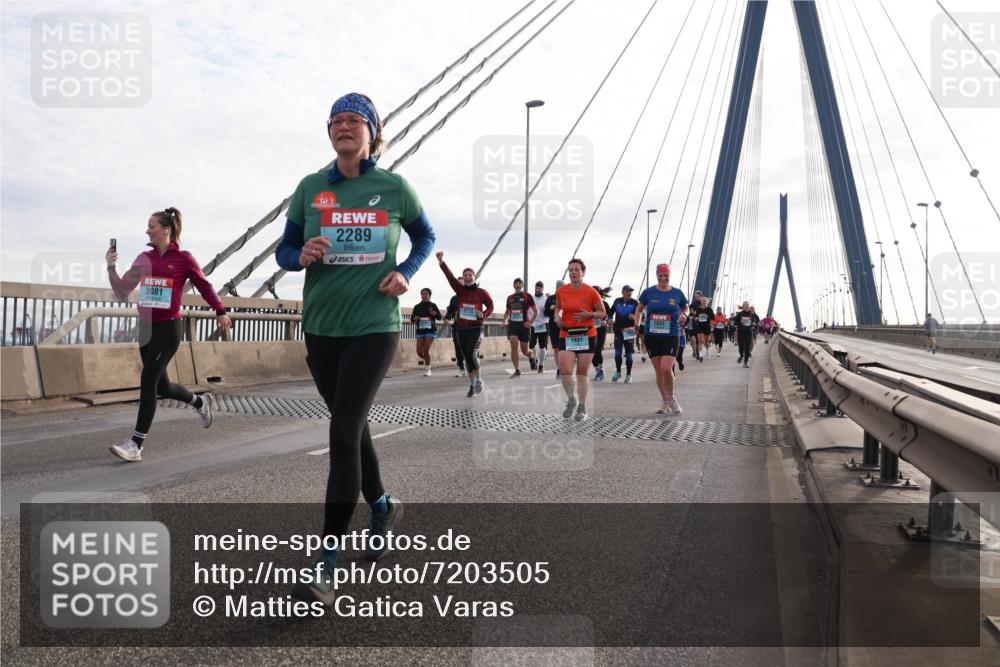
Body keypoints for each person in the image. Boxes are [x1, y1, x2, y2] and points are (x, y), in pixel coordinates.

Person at [274, 93, 435, 604]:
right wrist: (300, 254)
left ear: (372, 133)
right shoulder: (311, 188)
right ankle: (383, 506)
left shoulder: (392, 187)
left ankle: (327, 560)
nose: (344, 127)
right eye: (336, 121)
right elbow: (284, 249)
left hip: (374, 326)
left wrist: (406, 272)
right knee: (354, 426)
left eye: (354, 121)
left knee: (341, 430)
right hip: (322, 328)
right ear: (329, 133)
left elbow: (426, 237)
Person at [106, 207, 232, 462]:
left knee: (148, 380)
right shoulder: (144, 259)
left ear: (166, 229)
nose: (147, 230)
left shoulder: (184, 258)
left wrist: (220, 310)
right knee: (161, 385)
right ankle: (199, 403)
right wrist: (111, 267)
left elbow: (204, 285)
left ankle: (136, 444)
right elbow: (122, 291)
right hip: (146, 326)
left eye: (151, 226)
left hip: (168, 328)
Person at [437, 251, 493, 396]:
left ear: (474, 277)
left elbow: (491, 306)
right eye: (465, 275)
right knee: (466, 357)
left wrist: (484, 314)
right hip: (461, 329)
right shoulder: (460, 290)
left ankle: (479, 379)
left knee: (471, 353)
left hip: (476, 328)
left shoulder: (482, 293)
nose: (468, 277)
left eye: (470, 275)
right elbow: (449, 277)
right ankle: (472, 384)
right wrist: (441, 261)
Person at [634, 263, 688, 415]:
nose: (663, 278)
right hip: (652, 336)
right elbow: (639, 309)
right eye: (661, 275)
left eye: (666, 275)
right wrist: (637, 323)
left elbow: (685, 307)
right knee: (658, 371)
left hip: (671, 334)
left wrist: (684, 315)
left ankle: (672, 398)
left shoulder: (677, 293)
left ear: (670, 276)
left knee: (666, 368)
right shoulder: (648, 292)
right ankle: (665, 401)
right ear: (657, 275)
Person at [556, 259, 604, 421]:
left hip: (586, 335)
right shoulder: (562, 291)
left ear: (583, 272)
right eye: (570, 270)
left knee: (582, 373)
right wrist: (557, 316)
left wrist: (589, 315)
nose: (573, 273)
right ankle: (571, 400)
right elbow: (558, 308)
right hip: (567, 333)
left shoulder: (591, 292)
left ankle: (582, 407)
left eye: (577, 270)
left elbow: (602, 313)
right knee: (564, 370)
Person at [502, 278, 537, 377]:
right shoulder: (510, 298)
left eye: (519, 283)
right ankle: (517, 369)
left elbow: (536, 311)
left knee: (524, 350)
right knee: (514, 346)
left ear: (522, 285)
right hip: (513, 325)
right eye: (516, 283)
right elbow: (507, 311)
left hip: (524, 325)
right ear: (513, 285)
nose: (517, 285)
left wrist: (530, 322)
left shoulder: (527, 296)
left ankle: (531, 356)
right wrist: (504, 321)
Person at [611, 285, 639, 383]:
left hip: (629, 331)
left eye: (630, 291)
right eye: (627, 291)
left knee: (629, 354)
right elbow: (610, 313)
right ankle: (618, 372)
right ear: (622, 292)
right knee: (617, 354)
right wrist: (610, 320)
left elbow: (641, 316)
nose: (629, 293)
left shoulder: (635, 303)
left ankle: (628, 374)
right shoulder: (617, 301)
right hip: (618, 330)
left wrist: (634, 317)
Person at [410, 288, 442, 376]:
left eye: (426, 294)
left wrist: (434, 314)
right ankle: (428, 360)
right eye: (422, 294)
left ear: (429, 296)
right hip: (420, 330)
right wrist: (415, 318)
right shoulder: (417, 306)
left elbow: (439, 317)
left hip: (430, 330)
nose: (424, 296)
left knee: (425, 350)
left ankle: (428, 369)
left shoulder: (433, 305)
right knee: (419, 352)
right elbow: (412, 319)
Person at [591, 286, 612, 381]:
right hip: (590, 330)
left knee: (598, 349)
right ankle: (597, 370)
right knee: (591, 352)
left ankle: (601, 369)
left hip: (600, 330)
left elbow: (609, 316)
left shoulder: (604, 304)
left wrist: (606, 322)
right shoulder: (588, 304)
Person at [530, 281, 549, 373]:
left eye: (539, 288)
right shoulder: (531, 298)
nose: (537, 289)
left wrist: (546, 310)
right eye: (536, 288)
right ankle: (535, 358)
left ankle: (541, 365)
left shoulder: (546, 299)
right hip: (533, 324)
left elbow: (549, 313)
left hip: (543, 324)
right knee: (531, 345)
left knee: (542, 346)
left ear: (542, 289)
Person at [444, 294, 466, 377]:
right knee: (458, 346)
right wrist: (447, 318)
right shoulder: (454, 298)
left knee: (468, 348)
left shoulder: (472, 295)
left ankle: (469, 365)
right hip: (457, 326)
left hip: (471, 326)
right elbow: (450, 311)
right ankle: (461, 368)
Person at [544, 281, 563, 376]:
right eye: (558, 287)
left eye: (562, 287)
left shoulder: (567, 298)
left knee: (565, 349)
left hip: (565, 326)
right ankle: (559, 368)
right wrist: (550, 309)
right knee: (556, 348)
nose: (560, 289)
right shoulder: (551, 298)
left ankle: (565, 366)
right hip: (553, 326)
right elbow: (545, 313)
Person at [691, 294, 714, 362]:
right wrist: (696, 318)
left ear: (707, 302)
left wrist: (707, 316)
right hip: (700, 326)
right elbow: (695, 317)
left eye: (705, 301)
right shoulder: (698, 309)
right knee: (700, 341)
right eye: (702, 301)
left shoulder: (709, 309)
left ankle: (707, 351)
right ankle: (701, 355)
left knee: (706, 342)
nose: (703, 302)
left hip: (706, 326)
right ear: (701, 302)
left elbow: (713, 317)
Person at [735, 301, 755, 368]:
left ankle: (745, 362)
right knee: (740, 347)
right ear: (743, 307)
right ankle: (741, 356)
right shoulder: (739, 314)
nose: (746, 306)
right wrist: (740, 322)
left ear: (748, 307)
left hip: (748, 333)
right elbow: (735, 323)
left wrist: (753, 324)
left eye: (747, 305)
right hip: (741, 333)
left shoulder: (751, 314)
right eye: (745, 305)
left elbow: (753, 322)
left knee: (747, 348)